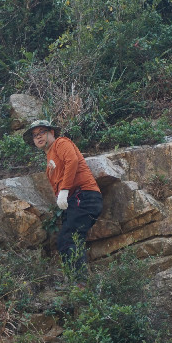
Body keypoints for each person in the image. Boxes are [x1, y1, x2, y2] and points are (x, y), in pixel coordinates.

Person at [23, 119, 103, 281]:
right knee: (65, 240)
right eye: (34, 135)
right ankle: (75, 281)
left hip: (84, 195)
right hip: (76, 200)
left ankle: (80, 283)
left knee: (70, 237)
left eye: (42, 132)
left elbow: (72, 161)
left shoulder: (61, 142)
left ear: (51, 132)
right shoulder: (49, 158)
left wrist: (64, 190)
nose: (38, 137)